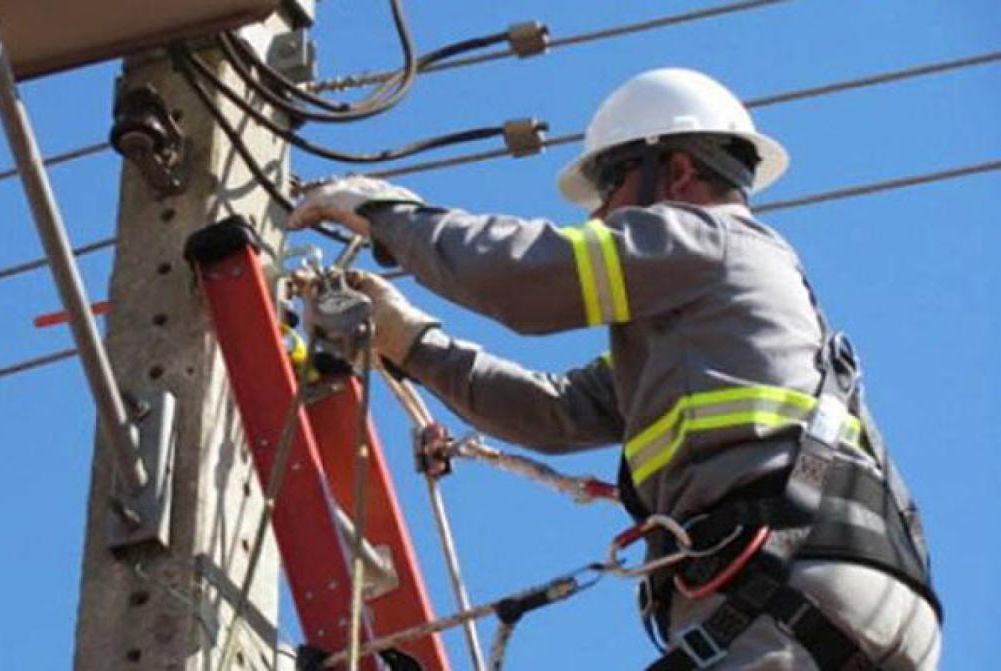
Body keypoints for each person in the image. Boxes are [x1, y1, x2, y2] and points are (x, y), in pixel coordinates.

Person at [289, 68, 942, 670]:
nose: (600, 215)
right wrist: (415, 343)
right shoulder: (707, 331)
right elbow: (556, 411)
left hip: (783, 586)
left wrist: (391, 218)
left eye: (611, 186)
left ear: (678, 171)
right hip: (840, 595)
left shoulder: (708, 238)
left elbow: (524, 276)